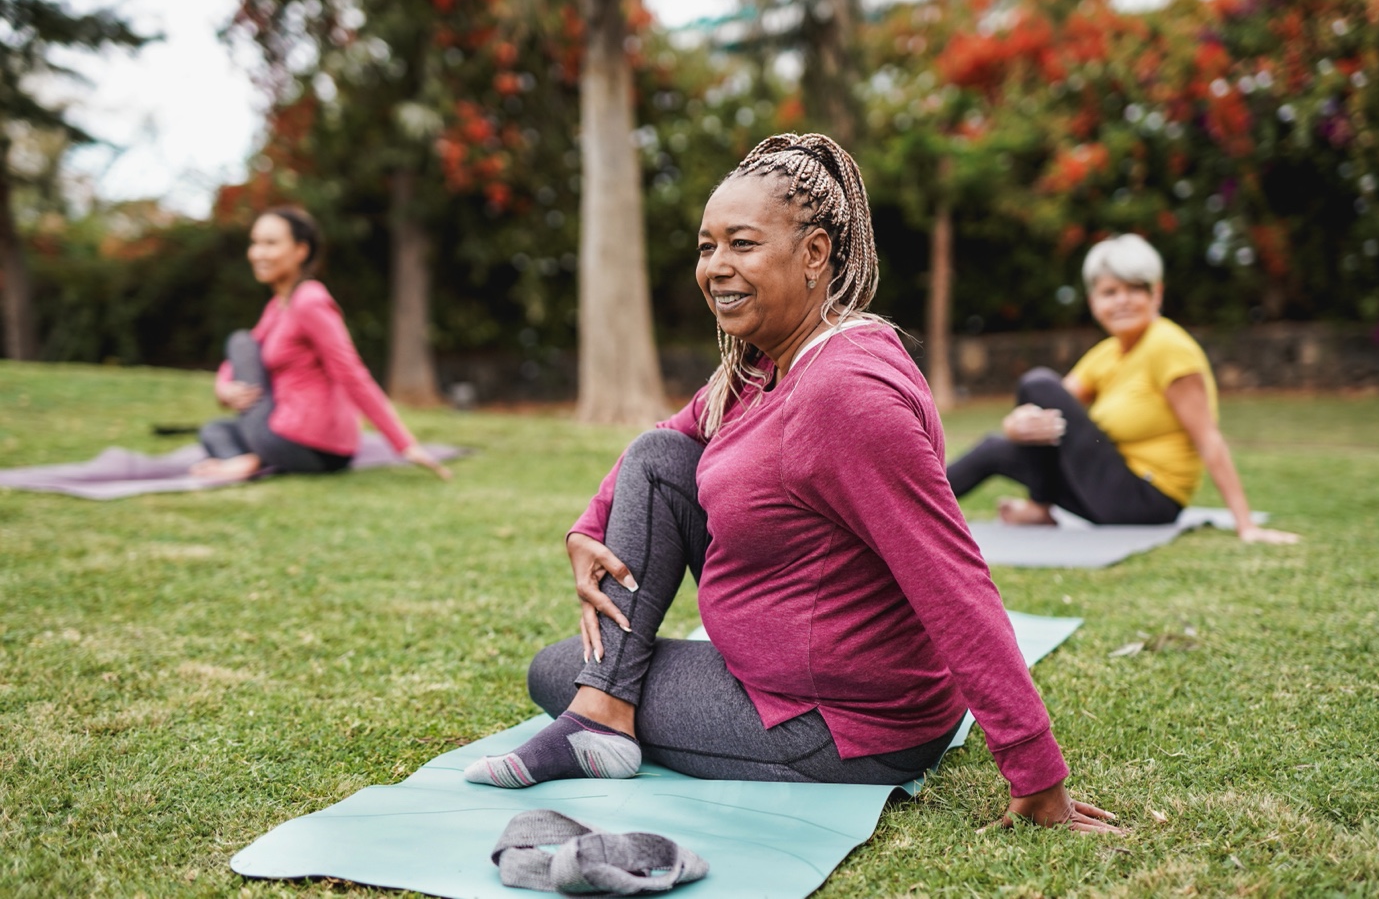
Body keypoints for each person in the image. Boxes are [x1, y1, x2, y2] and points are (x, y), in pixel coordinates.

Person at [464, 134, 1119, 834]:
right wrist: (587, 526)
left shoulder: (845, 394)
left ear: (814, 255)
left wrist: (1036, 773)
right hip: (791, 680)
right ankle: (604, 711)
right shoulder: (764, 364)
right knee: (657, 460)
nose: (716, 266)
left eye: (741, 244)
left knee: (555, 669)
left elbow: (952, 578)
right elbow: (669, 438)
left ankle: (601, 712)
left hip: (841, 723)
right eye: (706, 246)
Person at [945, 233, 1297, 544]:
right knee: (995, 447)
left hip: (1147, 498)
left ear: (1156, 293)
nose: (1122, 301)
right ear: (1094, 301)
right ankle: (904, 517)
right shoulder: (1108, 353)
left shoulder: (1168, 347)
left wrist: (1246, 525)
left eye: (1135, 289)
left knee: (1036, 381)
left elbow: (1208, 437)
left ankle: (1039, 506)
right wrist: (1015, 425)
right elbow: (1051, 406)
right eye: (1110, 292)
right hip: (1105, 490)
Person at [192, 207, 450, 483]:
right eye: (255, 243)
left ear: (301, 251)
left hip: (306, 442)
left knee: (239, 340)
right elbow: (239, 360)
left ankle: (251, 459)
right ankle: (250, 459)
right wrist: (224, 389)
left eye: (270, 243)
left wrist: (405, 444)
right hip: (290, 436)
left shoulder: (309, 301)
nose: (257, 253)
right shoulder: (278, 306)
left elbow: (351, 373)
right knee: (214, 431)